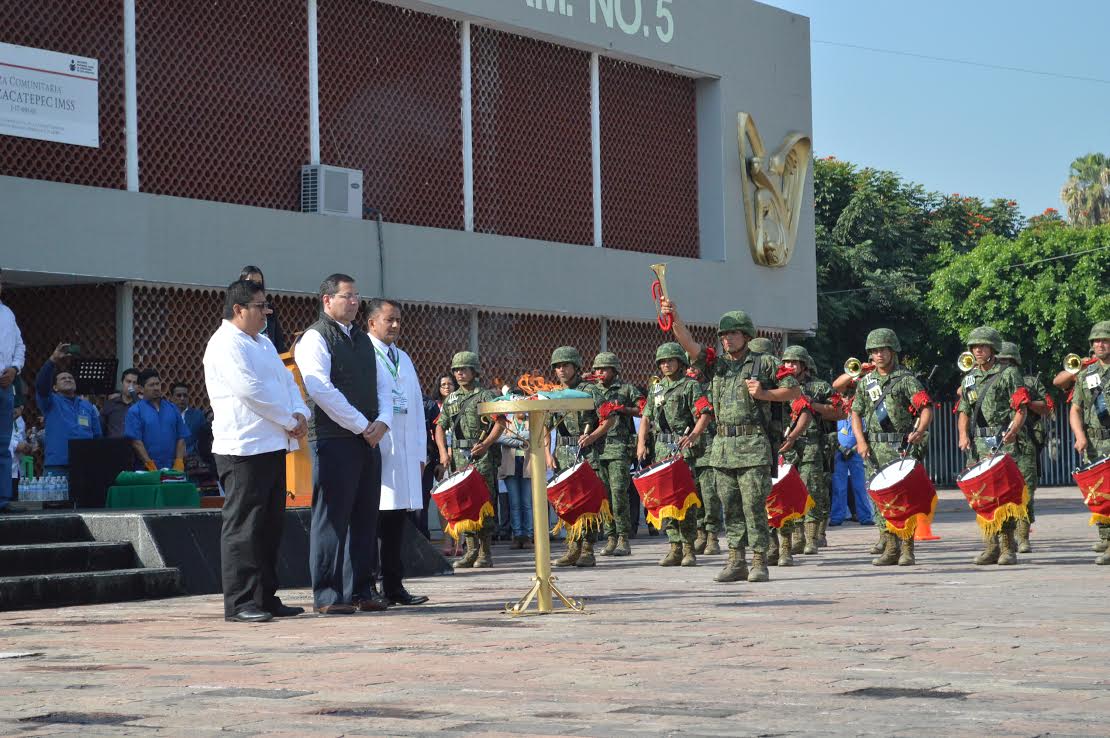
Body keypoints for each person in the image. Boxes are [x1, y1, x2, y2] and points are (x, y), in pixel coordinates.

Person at [662, 299, 800, 584]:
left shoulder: (765, 362)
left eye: (732, 334)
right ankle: (736, 559)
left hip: (753, 445)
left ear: (746, 336)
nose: (726, 339)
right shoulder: (716, 364)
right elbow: (689, 344)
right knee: (731, 507)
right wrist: (674, 316)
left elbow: (793, 390)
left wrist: (764, 394)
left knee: (753, 505)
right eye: (723, 335)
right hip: (722, 446)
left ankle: (760, 559)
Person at [203, 279, 309, 623]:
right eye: (260, 306)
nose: (267, 312)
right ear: (238, 309)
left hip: (274, 442)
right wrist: (287, 418)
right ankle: (241, 601)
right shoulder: (224, 344)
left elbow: (289, 383)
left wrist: (300, 414)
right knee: (244, 526)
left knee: (269, 525)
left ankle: (265, 595)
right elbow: (249, 391)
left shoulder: (262, 343)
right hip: (243, 447)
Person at [295, 274, 393, 615]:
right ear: (327, 301)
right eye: (347, 296)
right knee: (332, 518)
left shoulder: (364, 341)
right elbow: (319, 389)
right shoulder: (314, 338)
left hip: (369, 439)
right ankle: (327, 594)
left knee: (365, 517)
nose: (354, 302)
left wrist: (383, 421)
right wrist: (361, 424)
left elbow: (384, 386)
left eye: (355, 297)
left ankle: (360, 589)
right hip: (334, 439)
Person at [844, 328, 933, 566]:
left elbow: (926, 407)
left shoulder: (906, 380)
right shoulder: (866, 382)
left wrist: (920, 430)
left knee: (904, 500)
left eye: (883, 349)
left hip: (900, 448)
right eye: (874, 351)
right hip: (873, 449)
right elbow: (855, 412)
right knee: (879, 500)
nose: (878, 354)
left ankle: (906, 549)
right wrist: (861, 441)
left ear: (893, 351)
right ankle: (890, 547)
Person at [366, 298, 429, 606]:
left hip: (403, 451)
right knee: (372, 523)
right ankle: (369, 585)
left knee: (395, 524)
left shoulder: (402, 357)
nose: (394, 325)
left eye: (398, 321)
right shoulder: (364, 353)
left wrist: (420, 453)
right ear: (372, 322)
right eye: (389, 319)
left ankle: (394, 585)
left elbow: (416, 405)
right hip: (377, 446)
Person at [956, 326, 1031, 566]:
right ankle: (990, 546)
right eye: (974, 346)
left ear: (993, 348)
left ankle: (1008, 547)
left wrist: (1015, 429)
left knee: (1005, 495)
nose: (978, 350)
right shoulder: (968, 377)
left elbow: (1021, 407)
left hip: (1003, 441)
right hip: (978, 443)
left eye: (983, 346)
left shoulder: (1009, 373)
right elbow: (964, 411)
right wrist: (962, 435)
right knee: (983, 497)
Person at [636, 342, 713, 567]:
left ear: (680, 362)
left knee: (685, 500)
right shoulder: (656, 389)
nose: (666, 364)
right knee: (664, 499)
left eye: (670, 360)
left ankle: (689, 548)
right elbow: (646, 418)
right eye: (662, 361)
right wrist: (641, 443)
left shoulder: (690, 386)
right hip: (661, 448)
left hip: (683, 449)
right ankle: (674, 547)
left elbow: (705, 413)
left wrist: (695, 435)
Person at [544, 346, 616, 568]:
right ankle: (572, 549)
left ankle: (587, 550)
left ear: (576, 367)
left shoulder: (590, 390)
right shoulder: (554, 394)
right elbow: (545, 426)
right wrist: (548, 454)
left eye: (565, 365)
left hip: (586, 453)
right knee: (567, 503)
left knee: (587, 503)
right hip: (562, 454)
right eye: (557, 366)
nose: (561, 370)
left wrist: (593, 436)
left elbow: (609, 417)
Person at [434, 351, 505, 569]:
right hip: (458, 459)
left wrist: (486, 443)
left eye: (464, 369)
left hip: (481, 457)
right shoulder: (452, 399)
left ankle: (485, 552)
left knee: (483, 503)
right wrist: (443, 452)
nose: (459, 373)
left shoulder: (485, 396)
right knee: (464, 506)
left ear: (474, 371)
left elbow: (500, 422)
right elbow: (439, 426)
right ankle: (470, 551)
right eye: (456, 370)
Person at [998, 341, 1052, 552]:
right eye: (1000, 360)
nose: (1003, 365)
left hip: (1025, 442)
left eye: (1007, 361)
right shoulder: (989, 380)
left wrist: (1027, 403)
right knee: (1002, 493)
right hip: (999, 443)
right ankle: (1005, 539)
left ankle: (1023, 537)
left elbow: (1047, 407)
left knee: (1026, 492)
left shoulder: (1029, 382)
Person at [590, 352, 641, 557]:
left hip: (619, 448)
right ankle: (610, 536)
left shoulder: (627, 389)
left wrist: (623, 409)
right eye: (597, 370)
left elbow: (643, 409)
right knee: (604, 495)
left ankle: (623, 538)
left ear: (614, 370)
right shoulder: (592, 391)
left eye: (604, 369)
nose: (599, 373)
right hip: (598, 448)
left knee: (619, 493)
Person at [1069, 320, 1110, 564]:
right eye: (1096, 341)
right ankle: (1106, 539)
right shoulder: (1086, 375)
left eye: (1104, 340)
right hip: (1095, 444)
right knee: (1100, 495)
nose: (1100, 344)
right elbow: (1075, 409)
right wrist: (1080, 436)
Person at [35, 343, 102, 477]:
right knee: (57, 499)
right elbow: (41, 384)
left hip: (85, 465)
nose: (67, 379)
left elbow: (97, 436)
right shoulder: (50, 401)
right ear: (54, 387)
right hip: (58, 466)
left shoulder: (87, 406)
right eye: (63, 378)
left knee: (86, 499)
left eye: (70, 378)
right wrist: (53, 360)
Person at [125, 369, 188, 472]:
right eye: (151, 385)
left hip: (172, 469)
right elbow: (136, 442)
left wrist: (179, 461)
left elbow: (181, 437)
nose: (156, 388)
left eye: (157, 384)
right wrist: (149, 464)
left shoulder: (172, 408)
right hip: (146, 470)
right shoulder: (135, 411)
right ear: (141, 388)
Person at [0, 269, 24, 512]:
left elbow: (20, 346)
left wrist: (15, 369)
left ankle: (3, 499)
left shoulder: (7, 313)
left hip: (5, 386)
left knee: (3, 445)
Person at [829, 410, 872, 526]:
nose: (847, 400)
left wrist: (853, 449)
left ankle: (865, 516)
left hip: (856, 453)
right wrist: (841, 448)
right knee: (839, 487)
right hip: (839, 453)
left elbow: (866, 434)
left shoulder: (859, 414)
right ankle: (837, 517)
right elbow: (830, 433)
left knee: (860, 486)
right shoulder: (836, 414)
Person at [499, 412, 533, 548]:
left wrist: (512, 436)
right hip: (510, 464)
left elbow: (535, 435)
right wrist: (522, 442)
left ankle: (528, 536)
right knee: (514, 503)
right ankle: (517, 535)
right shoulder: (506, 421)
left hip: (528, 464)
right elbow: (500, 438)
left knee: (527, 502)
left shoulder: (533, 419)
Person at [239, 265, 286, 354]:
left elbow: (279, 343)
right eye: (251, 282)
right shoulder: (237, 309)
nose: (255, 286)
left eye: (259, 283)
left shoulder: (269, 309)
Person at [170, 382, 210, 457]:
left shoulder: (198, 416)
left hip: (192, 458)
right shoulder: (164, 416)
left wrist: (190, 451)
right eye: (179, 395)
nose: (182, 398)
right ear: (171, 398)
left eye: (185, 396)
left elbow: (203, 439)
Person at [99, 368, 140, 439]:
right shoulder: (109, 405)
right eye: (128, 381)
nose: (131, 386)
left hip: (134, 448)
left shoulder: (141, 406)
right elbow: (100, 429)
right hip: (112, 448)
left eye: (134, 383)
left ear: (138, 387)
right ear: (122, 383)